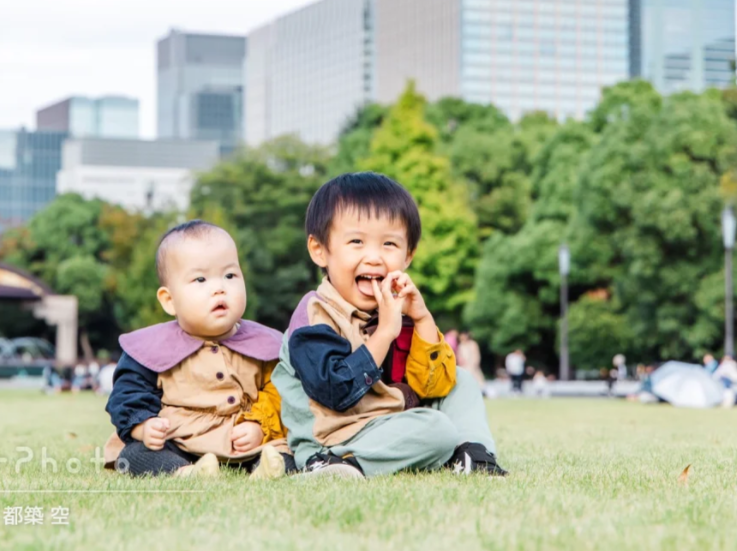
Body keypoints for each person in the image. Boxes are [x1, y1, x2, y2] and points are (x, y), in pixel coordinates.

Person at [272, 172, 505, 478]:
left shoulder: (396, 308)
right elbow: (334, 390)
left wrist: (421, 320)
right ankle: (336, 466)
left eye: (389, 244)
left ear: (408, 255)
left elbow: (436, 385)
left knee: (460, 381)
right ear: (320, 250)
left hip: (387, 422)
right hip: (333, 436)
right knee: (437, 431)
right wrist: (385, 333)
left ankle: (474, 455)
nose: (374, 257)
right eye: (356, 241)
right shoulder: (314, 315)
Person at [103, 220, 293, 479]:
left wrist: (259, 426)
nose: (219, 288)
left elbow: (280, 390)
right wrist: (144, 425)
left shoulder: (265, 343)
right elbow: (128, 393)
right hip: (180, 440)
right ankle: (186, 472)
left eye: (230, 275)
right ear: (169, 300)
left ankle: (264, 471)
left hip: (244, 440)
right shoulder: (152, 348)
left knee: (286, 453)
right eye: (200, 279)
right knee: (133, 455)